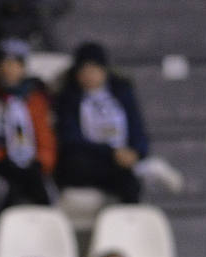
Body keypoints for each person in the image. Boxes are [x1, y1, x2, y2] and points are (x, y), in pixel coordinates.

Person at [0, 38, 57, 238]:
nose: (9, 70)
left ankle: (51, 238)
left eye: (15, 64)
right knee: (4, 188)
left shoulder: (35, 101)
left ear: (23, 68)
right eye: (4, 64)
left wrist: (40, 162)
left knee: (45, 189)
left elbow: (46, 142)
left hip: (30, 165)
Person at [53, 41, 149, 204]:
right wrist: (111, 152)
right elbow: (71, 139)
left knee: (129, 182)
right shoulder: (68, 99)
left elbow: (138, 130)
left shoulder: (122, 94)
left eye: (94, 69)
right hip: (88, 161)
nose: (89, 75)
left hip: (120, 160)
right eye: (84, 70)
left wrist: (136, 152)